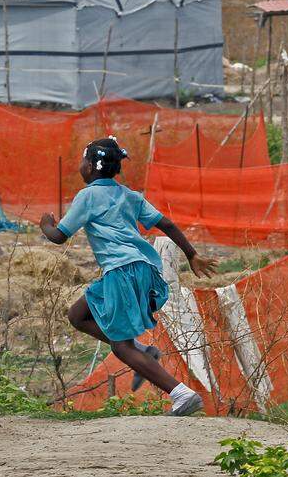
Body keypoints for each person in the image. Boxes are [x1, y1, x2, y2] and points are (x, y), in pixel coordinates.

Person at [38, 137, 218, 416]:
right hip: (143, 269)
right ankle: (143, 351)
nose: (80, 165)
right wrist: (192, 255)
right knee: (78, 315)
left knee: (120, 347)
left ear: (92, 167)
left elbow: (59, 236)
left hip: (122, 271)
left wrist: (46, 224)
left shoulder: (88, 196)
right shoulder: (130, 195)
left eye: (83, 160)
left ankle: (181, 394)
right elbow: (166, 223)